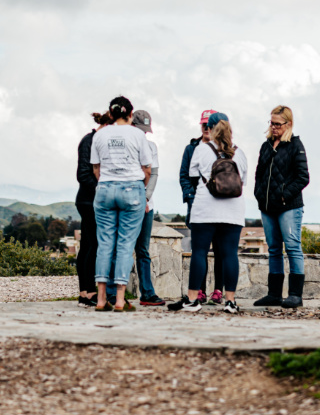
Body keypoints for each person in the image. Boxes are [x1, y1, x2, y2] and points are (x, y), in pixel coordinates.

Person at [169, 112, 248, 314]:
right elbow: (243, 182)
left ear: (211, 129)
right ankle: (230, 301)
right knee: (230, 254)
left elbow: (193, 175)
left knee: (200, 253)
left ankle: (193, 299)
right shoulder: (240, 153)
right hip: (233, 211)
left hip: (205, 210)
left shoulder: (202, 149)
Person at [90, 96, 152, 311]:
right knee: (125, 244)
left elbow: (96, 168)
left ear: (111, 112)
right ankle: (119, 300)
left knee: (105, 243)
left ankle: (100, 299)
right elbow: (147, 169)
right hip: (132, 189)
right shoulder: (137, 134)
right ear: (130, 114)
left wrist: (107, 182)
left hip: (105, 188)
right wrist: (141, 188)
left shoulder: (100, 134)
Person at [253, 105, 310, 308]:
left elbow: (303, 177)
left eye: (278, 124)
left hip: (289, 207)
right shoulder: (266, 145)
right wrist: (259, 195)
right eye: (272, 123)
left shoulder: (296, 145)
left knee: (293, 247)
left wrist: (284, 195)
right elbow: (259, 174)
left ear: (288, 124)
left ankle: (295, 295)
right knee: (274, 249)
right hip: (267, 207)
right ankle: (274, 294)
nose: (274, 127)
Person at [178, 109, 225, 305]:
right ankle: (200, 291)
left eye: (209, 125)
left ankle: (218, 291)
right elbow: (184, 176)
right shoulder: (191, 149)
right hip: (198, 206)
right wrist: (191, 197)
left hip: (220, 206)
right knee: (200, 251)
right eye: (203, 125)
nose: (206, 128)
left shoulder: (226, 148)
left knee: (221, 251)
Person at [74, 111, 113, 307]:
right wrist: (103, 191)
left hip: (92, 200)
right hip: (89, 201)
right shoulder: (89, 141)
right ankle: (88, 292)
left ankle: (85, 292)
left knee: (89, 246)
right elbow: (83, 174)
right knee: (93, 246)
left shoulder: (96, 141)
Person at [131, 109, 165, 306]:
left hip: (146, 205)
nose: (143, 134)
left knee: (142, 250)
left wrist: (145, 198)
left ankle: (147, 292)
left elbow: (154, 174)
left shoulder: (151, 146)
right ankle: (112, 292)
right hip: (128, 203)